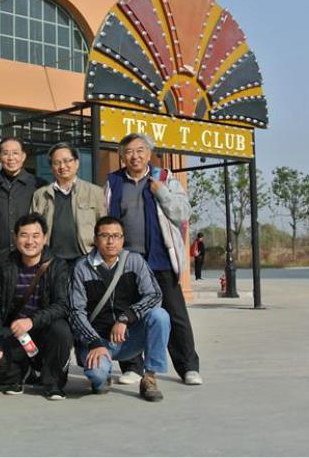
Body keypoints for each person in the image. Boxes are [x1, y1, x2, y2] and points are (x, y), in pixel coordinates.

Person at [104, 132, 202, 386]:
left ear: (149, 154)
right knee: (128, 313)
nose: (134, 156)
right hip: (127, 263)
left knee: (175, 315)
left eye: (140, 151)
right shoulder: (114, 182)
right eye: (128, 152)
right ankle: (132, 367)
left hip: (160, 259)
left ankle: (188, 367)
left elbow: (183, 214)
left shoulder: (165, 178)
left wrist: (162, 193)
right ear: (121, 156)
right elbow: (106, 217)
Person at [69, 217, 171, 401]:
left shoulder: (135, 261)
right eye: (105, 236)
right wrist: (94, 342)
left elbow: (155, 295)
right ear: (95, 239)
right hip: (97, 341)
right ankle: (102, 376)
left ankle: (149, 378)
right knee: (97, 376)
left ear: (123, 239)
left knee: (160, 316)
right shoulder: (81, 267)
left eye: (116, 236)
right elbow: (76, 312)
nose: (111, 241)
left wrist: (126, 318)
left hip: (128, 338)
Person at [0, 213, 72, 400]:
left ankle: (53, 382)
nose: (30, 241)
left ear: (45, 238)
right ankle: (18, 375)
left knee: (61, 330)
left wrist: (32, 321)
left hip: (45, 331)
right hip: (15, 333)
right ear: (15, 238)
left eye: (35, 236)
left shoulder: (57, 266)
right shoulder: (4, 267)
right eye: (24, 235)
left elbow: (62, 305)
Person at [31, 142, 106, 267]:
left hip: (85, 258)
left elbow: (104, 227)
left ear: (76, 163)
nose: (62, 166)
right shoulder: (40, 195)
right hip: (51, 260)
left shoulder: (95, 192)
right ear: (51, 167)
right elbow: (33, 228)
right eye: (57, 163)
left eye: (67, 161)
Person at [0, 137, 47, 270]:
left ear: (23, 156)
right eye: (6, 153)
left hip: (30, 255)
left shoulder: (38, 186)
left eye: (15, 153)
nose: (11, 158)